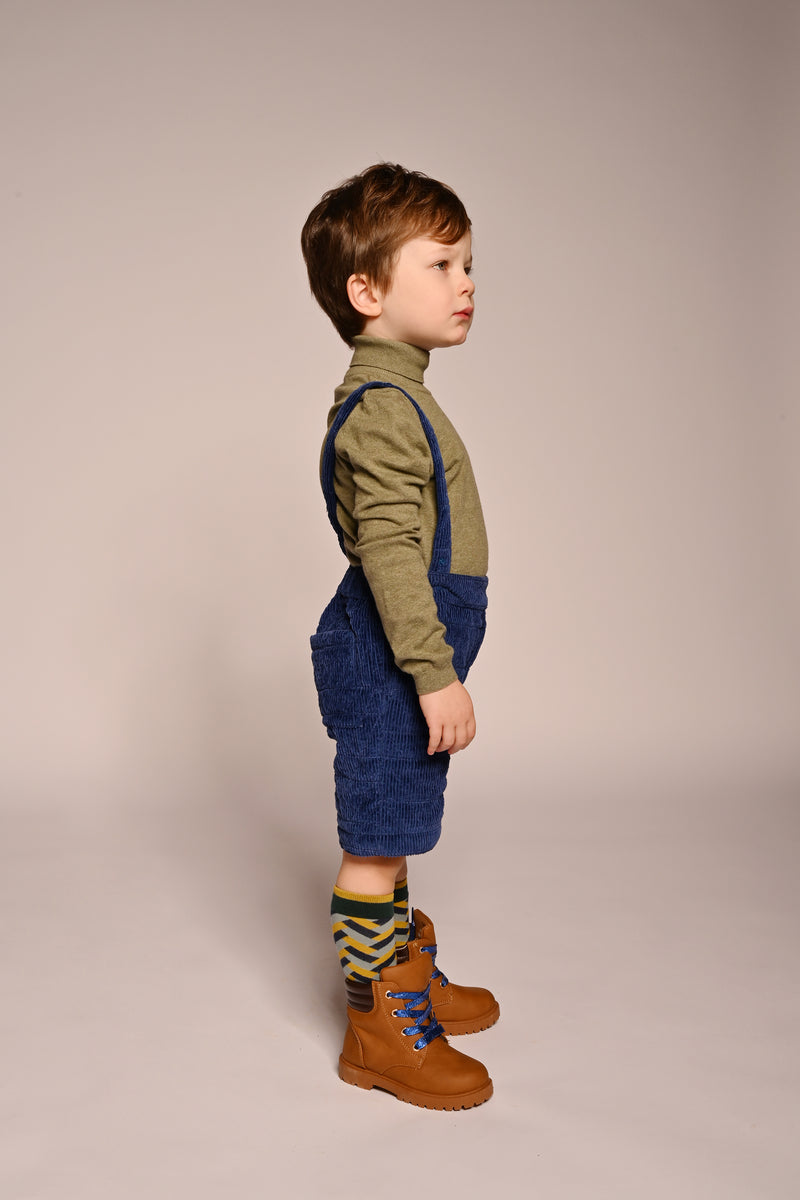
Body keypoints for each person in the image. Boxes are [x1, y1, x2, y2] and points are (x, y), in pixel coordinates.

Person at [301, 163, 499, 1110]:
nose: (467, 283)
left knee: (398, 822)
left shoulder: (400, 393)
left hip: (406, 653)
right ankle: (377, 1027)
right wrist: (432, 673)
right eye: (442, 264)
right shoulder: (382, 408)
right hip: (393, 657)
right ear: (367, 291)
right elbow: (387, 551)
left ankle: (405, 976)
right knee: (375, 841)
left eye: (469, 264)